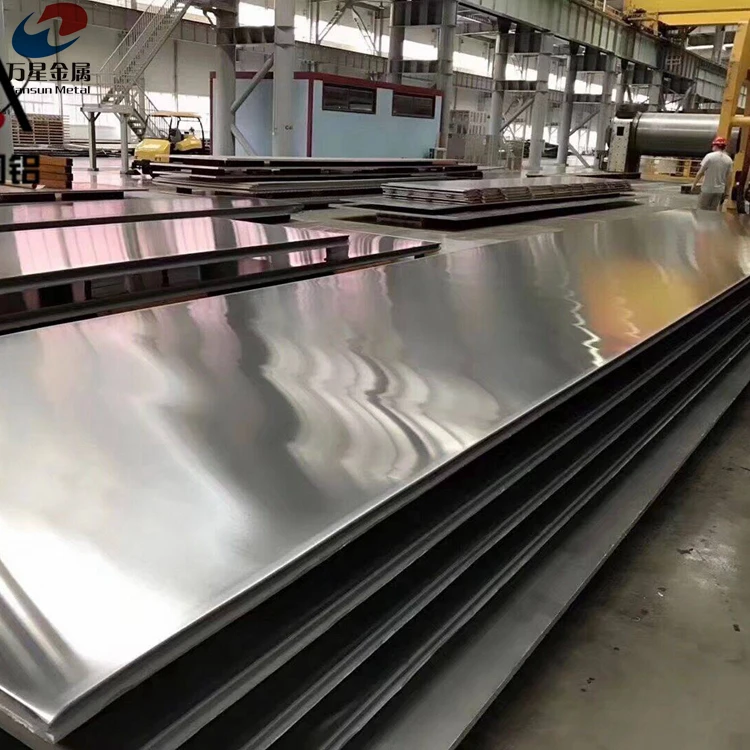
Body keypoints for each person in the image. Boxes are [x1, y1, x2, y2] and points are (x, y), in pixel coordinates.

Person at [691, 136, 734, 211]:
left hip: (707, 189)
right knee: (713, 212)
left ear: (715, 146)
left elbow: (700, 172)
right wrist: (727, 192)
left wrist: (694, 184)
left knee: (702, 211)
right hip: (719, 191)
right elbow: (729, 177)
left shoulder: (709, 156)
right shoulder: (729, 159)